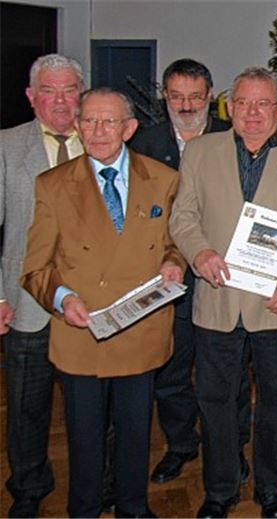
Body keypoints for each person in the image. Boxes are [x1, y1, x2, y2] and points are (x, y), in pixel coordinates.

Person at [20, 86, 186, 518]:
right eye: (89, 121)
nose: (97, 131)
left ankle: (133, 507)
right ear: (77, 126)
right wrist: (63, 298)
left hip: (141, 329)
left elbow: (176, 243)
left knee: (135, 434)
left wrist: (174, 263)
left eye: (108, 121)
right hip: (82, 333)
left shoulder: (163, 179)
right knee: (84, 439)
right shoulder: (53, 185)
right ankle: (84, 510)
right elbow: (35, 268)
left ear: (129, 128)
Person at [169, 67, 277, 519]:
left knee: (276, 404)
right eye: (243, 103)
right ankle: (219, 489)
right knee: (214, 403)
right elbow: (182, 217)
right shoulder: (200, 151)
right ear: (228, 107)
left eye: (262, 103)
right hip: (217, 300)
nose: (252, 113)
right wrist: (199, 253)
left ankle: (271, 490)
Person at [129, 57, 252, 487]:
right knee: (172, 371)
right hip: (169, 277)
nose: (186, 106)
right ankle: (181, 444)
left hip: (226, 276)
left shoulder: (235, 138)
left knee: (231, 373)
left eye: (195, 97)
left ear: (210, 96)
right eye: (177, 96)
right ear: (165, 96)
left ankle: (232, 448)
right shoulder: (144, 145)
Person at [0, 53, 83, 518]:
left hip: (90, 301)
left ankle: (98, 481)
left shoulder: (102, 138)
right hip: (26, 301)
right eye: (49, 91)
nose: (60, 101)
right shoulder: (6, 146)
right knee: (26, 404)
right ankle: (28, 487)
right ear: (32, 97)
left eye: (69, 90)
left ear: (81, 94)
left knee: (91, 404)